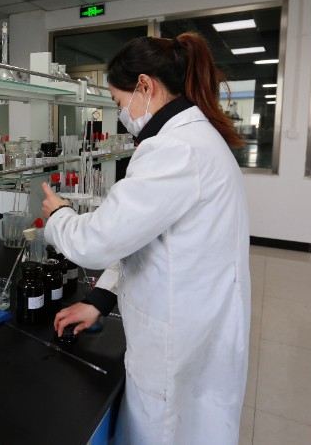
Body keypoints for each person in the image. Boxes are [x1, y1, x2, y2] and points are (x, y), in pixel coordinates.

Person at [42, 33, 250, 445]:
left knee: (164, 430)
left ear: (145, 86)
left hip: (178, 337)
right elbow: (145, 240)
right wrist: (100, 300)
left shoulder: (175, 149)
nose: (122, 114)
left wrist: (59, 214)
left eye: (119, 102)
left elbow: (97, 242)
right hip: (196, 320)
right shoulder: (194, 138)